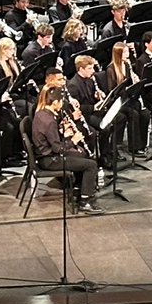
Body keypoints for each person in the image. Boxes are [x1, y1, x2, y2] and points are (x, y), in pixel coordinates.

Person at [31, 86, 105, 214]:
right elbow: (58, 149)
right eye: (60, 102)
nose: (61, 105)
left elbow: (51, 140)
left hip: (47, 155)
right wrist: (73, 141)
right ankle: (85, 201)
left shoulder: (42, 114)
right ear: (54, 103)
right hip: (50, 160)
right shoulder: (49, 121)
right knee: (91, 165)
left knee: (82, 154)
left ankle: (78, 189)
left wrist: (63, 134)